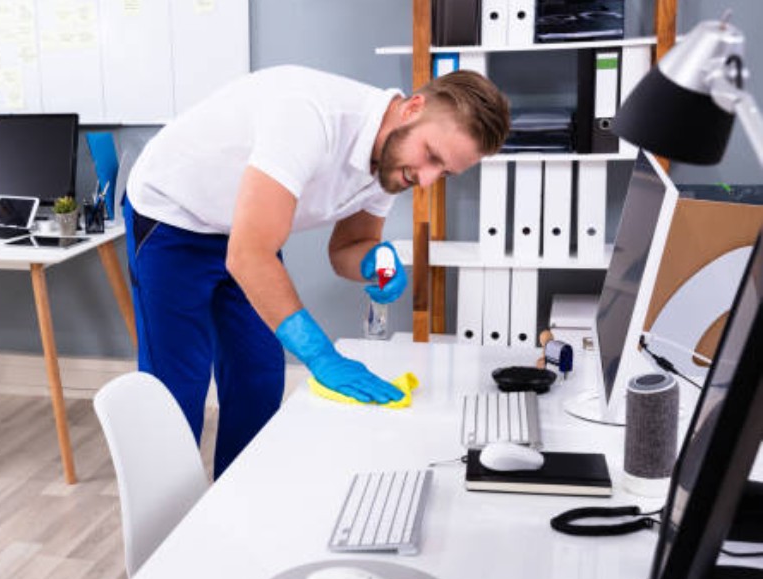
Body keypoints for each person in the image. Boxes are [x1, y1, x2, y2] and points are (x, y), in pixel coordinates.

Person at [123, 65, 510, 477]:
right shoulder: (310, 117)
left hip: (243, 231)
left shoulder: (390, 165)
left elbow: (347, 247)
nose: (428, 179)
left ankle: (236, 506)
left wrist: (372, 264)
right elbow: (250, 256)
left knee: (258, 374)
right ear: (413, 108)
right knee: (178, 383)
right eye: (432, 156)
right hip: (174, 217)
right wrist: (322, 355)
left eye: (445, 172)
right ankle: (164, 531)